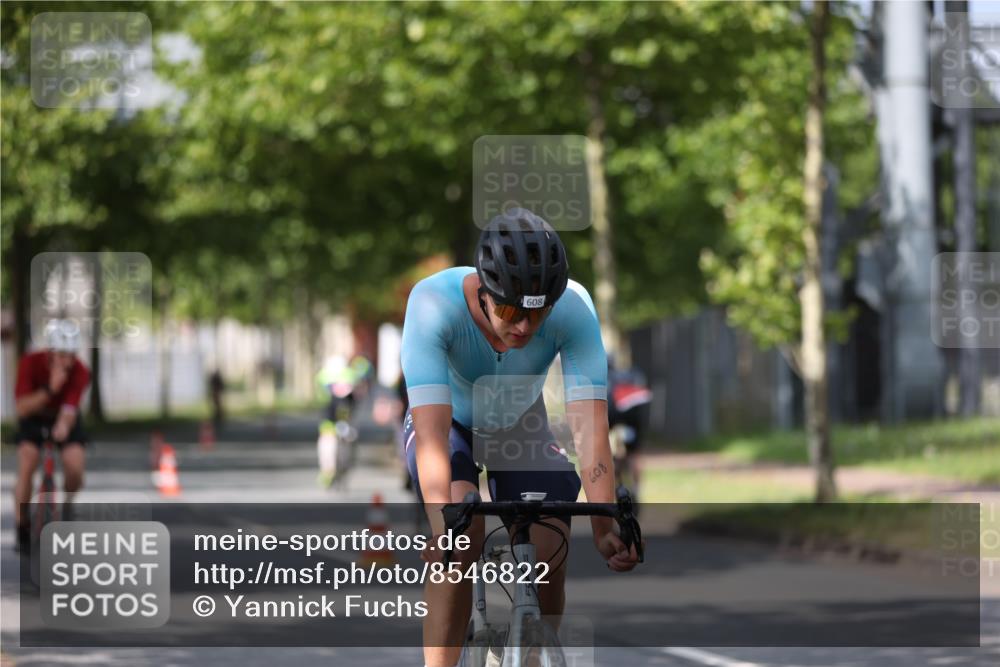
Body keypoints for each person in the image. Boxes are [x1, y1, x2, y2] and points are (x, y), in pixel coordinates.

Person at [400, 208, 640, 667]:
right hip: (449, 424)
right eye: (510, 311)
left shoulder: (575, 307)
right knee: (461, 530)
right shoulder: (433, 304)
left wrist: (606, 525)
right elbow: (432, 438)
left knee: (550, 541)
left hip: (520, 423)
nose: (525, 328)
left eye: (538, 313)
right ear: (483, 291)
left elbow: (589, 428)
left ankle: (533, 655)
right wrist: (439, 528)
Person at [13, 319, 91, 552]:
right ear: (49, 352)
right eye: (62, 355)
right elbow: (22, 408)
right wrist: (50, 389)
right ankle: (22, 523)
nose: (67, 361)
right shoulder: (30, 363)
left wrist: (64, 426)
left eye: (71, 355)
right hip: (34, 416)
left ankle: (67, 504)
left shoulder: (80, 371)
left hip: (62, 418)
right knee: (28, 460)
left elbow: (70, 409)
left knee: (74, 465)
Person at [607, 356, 652, 501]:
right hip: (633, 418)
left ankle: (614, 486)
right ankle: (636, 489)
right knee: (634, 455)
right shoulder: (634, 375)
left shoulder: (607, 379)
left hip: (613, 416)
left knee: (610, 455)